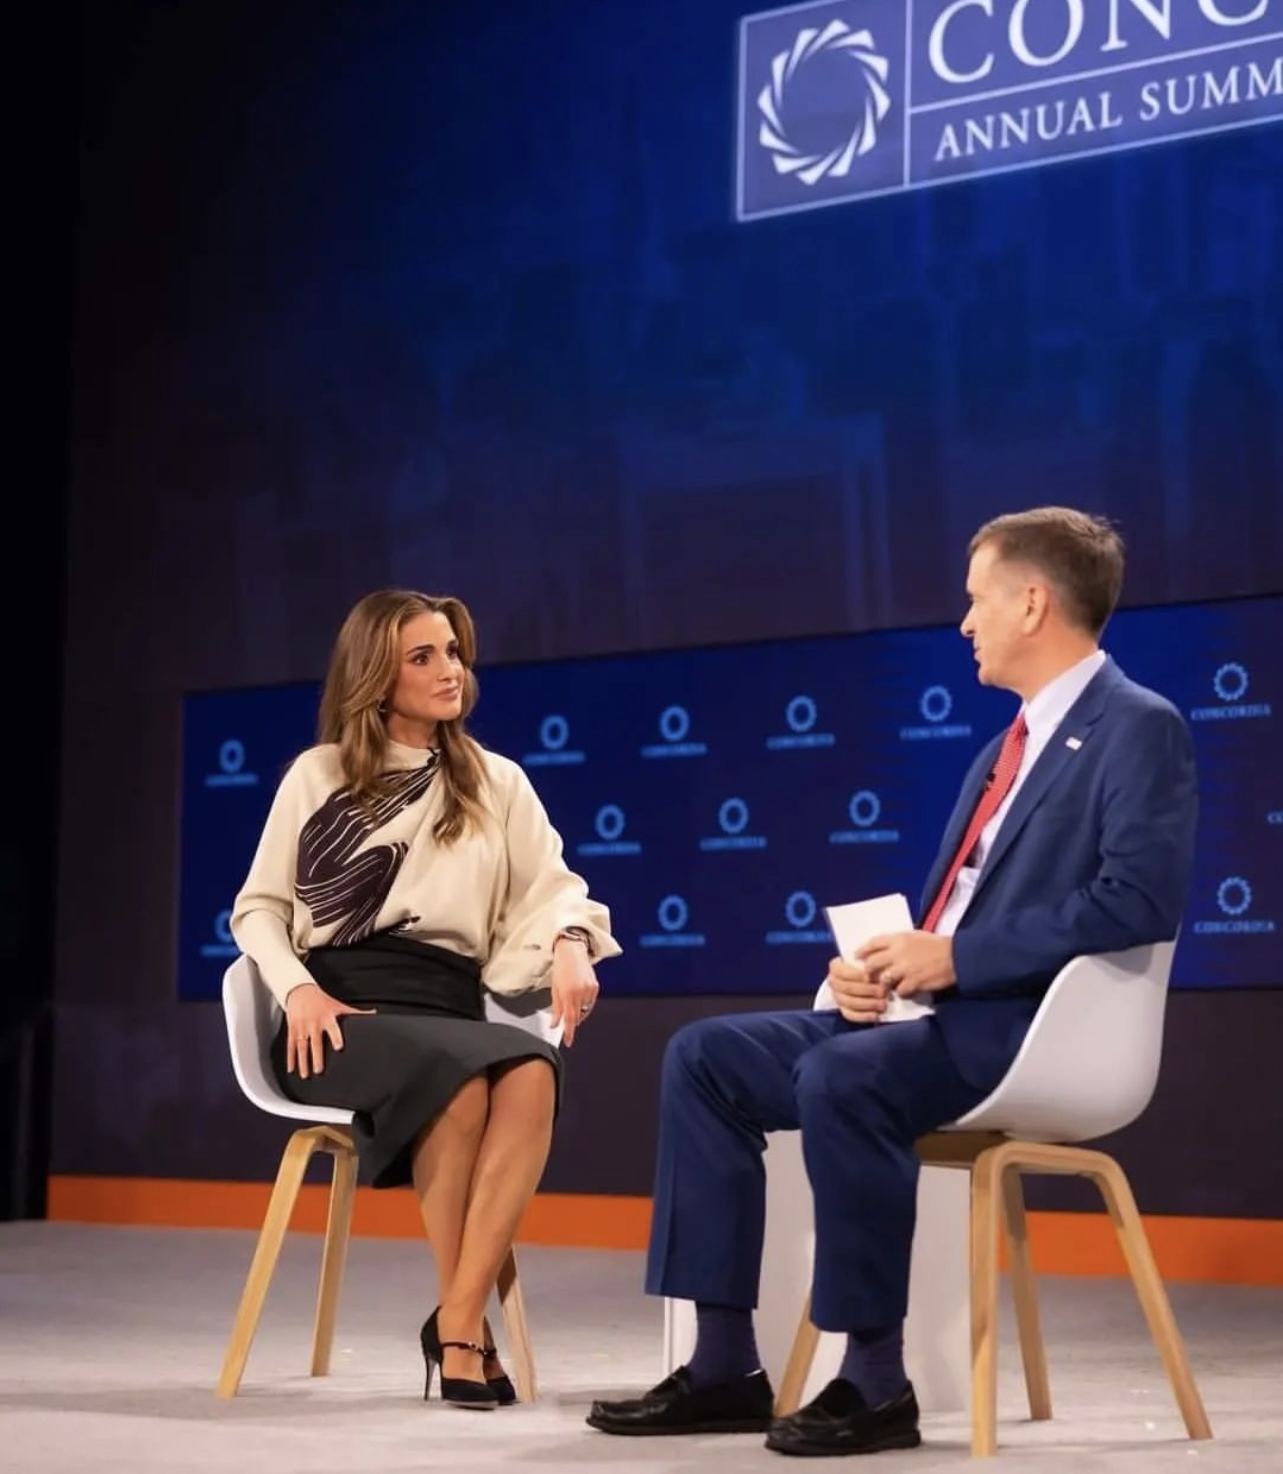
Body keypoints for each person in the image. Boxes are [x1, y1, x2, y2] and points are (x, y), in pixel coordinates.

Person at [587, 506, 1197, 1456]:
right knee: (704, 1057)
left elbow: (1137, 900)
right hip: (931, 1019)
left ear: (1032, 603)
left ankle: (874, 1381)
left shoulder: (1137, 727)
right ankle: (722, 1367)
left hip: (1019, 1031)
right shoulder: (1000, 751)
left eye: (977, 599)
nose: (965, 622)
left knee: (843, 1077)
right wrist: (877, 971)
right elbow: (950, 916)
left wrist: (956, 961)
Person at [230, 588, 620, 1410]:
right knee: (463, 1080)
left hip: (447, 1008)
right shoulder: (319, 774)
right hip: (338, 1014)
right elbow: (258, 909)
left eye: (453, 653)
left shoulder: (495, 781)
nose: (450, 671)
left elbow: (553, 888)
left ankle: (455, 1317)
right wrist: (297, 990)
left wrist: (570, 942)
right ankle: (463, 1334)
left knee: (530, 1067)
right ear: (376, 675)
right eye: (423, 657)